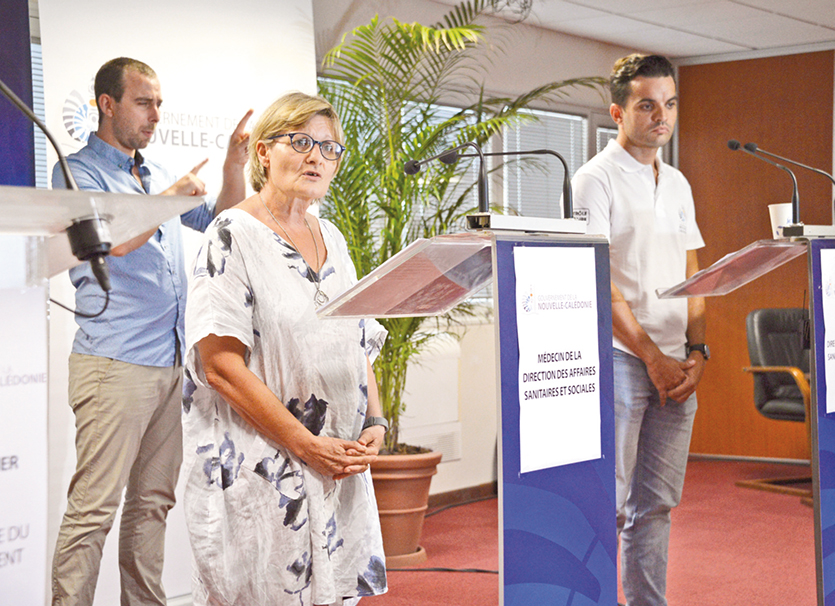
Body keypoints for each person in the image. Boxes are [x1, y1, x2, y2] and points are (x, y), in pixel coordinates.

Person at [51, 56, 252, 606]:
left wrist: (233, 165)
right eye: (143, 103)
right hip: (114, 363)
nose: (155, 115)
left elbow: (223, 220)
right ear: (107, 104)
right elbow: (112, 242)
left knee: (152, 505)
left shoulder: (155, 170)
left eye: (159, 104)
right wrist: (167, 200)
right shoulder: (77, 171)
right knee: (93, 512)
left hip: (169, 361)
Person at [181, 92, 389, 606]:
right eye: (300, 142)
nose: (317, 157)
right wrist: (304, 443)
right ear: (263, 152)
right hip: (267, 468)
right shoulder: (230, 234)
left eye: (329, 148)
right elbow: (219, 366)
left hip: (335, 461)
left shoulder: (332, 236)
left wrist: (376, 421)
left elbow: (359, 336)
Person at [572, 54, 707, 606]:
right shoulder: (594, 179)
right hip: (624, 360)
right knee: (610, 501)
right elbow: (598, 280)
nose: (661, 116)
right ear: (617, 112)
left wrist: (697, 350)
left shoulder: (677, 182)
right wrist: (653, 357)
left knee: (657, 505)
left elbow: (693, 269)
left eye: (669, 104)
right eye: (647, 105)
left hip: (678, 363)